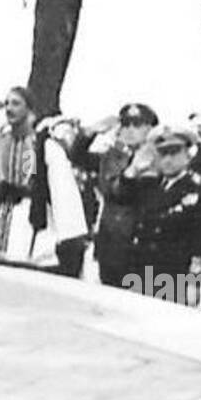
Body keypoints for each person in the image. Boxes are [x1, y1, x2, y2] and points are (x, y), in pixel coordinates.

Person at [0, 86, 87, 273]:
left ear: (29, 109)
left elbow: (62, 189)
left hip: (26, 214)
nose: (9, 109)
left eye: (16, 103)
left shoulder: (44, 145)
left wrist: (68, 233)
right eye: (6, 104)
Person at [110, 126, 201, 300]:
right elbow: (118, 196)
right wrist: (134, 169)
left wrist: (195, 283)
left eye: (174, 153)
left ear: (187, 155)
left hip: (174, 279)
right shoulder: (148, 186)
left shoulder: (197, 194)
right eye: (162, 153)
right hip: (140, 274)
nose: (167, 160)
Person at [70, 101, 159, 286]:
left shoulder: (158, 159)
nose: (130, 130)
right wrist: (91, 132)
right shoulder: (112, 156)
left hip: (138, 244)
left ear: (150, 129)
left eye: (137, 125)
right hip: (109, 241)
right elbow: (77, 156)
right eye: (126, 124)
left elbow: (121, 192)